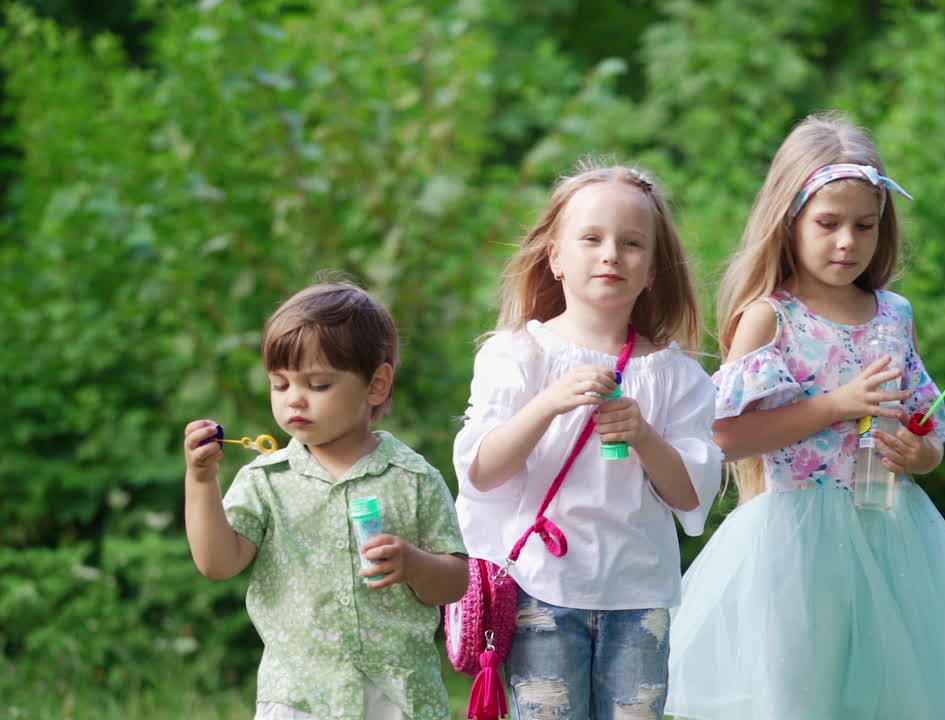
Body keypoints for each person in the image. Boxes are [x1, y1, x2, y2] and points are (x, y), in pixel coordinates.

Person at [666, 112, 945, 720]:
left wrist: (922, 455)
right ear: (790, 221)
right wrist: (835, 406)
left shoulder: (893, 314)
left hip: (893, 533)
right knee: (801, 692)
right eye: (828, 224)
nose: (847, 242)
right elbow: (724, 437)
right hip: (795, 538)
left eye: (864, 226)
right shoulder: (771, 319)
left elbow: (927, 428)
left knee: (893, 691)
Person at [453, 162, 722, 720]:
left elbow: (690, 494)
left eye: (631, 243)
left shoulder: (676, 376)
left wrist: (644, 435)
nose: (611, 255)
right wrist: (548, 403)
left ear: (651, 270)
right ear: (555, 258)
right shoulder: (517, 356)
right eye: (592, 239)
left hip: (638, 595)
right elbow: (481, 470)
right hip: (541, 589)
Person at [182, 280, 469, 720]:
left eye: (317, 384)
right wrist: (201, 480)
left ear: (376, 385)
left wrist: (414, 564)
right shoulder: (266, 480)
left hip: (397, 696)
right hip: (299, 695)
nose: (294, 398)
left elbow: (456, 583)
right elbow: (216, 563)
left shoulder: (413, 479)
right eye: (280, 385)